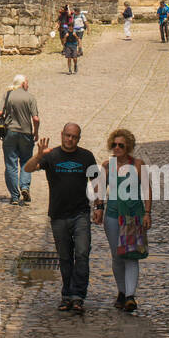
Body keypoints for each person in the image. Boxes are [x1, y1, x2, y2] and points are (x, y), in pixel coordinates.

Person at [24, 123, 97, 314]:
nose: (70, 139)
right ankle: (67, 295)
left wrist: (100, 206)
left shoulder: (86, 156)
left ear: (79, 139)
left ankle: (78, 296)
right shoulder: (52, 155)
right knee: (65, 258)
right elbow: (28, 168)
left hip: (81, 213)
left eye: (74, 137)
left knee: (81, 254)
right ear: (62, 135)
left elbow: (97, 182)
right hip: (58, 215)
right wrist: (39, 155)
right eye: (67, 135)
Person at [91, 127, 151, 314]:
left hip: (133, 215)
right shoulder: (107, 166)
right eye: (114, 145)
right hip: (113, 215)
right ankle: (122, 291)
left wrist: (147, 213)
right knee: (117, 255)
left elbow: (147, 191)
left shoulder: (138, 165)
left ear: (128, 147)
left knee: (131, 254)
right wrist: (99, 208)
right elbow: (99, 190)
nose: (117, 148)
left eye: (121, 146)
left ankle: (130, 296)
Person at [0, 73, 40, 205]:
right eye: (27, 82)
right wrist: (36, 133)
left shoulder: (7, 94)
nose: (28, 84)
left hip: (10, 133)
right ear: (22, 83)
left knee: (11, 164)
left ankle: (14, 196)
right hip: (26, 133)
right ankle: (25, 187)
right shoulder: (30, 97)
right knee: (26, 161)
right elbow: (36, 118)